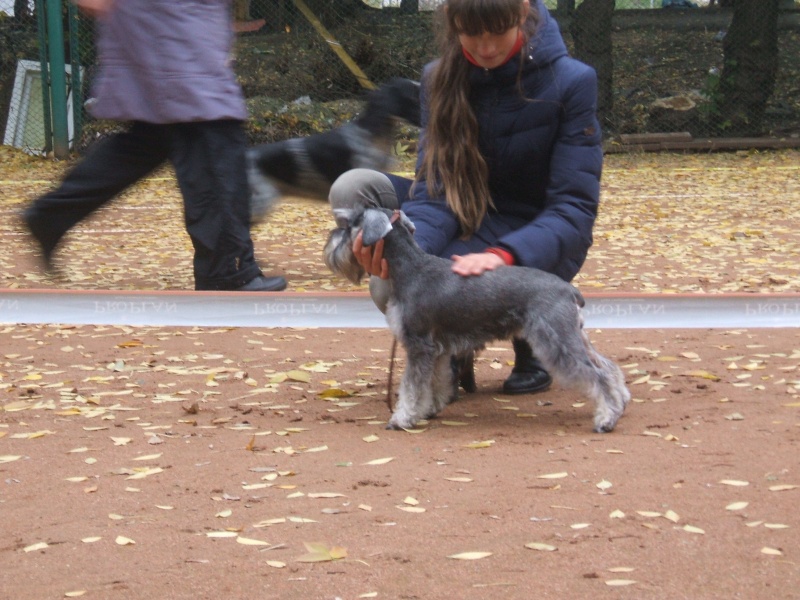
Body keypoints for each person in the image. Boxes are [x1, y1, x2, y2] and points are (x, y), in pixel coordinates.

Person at [328, 0, 602, 394]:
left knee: (514, 273)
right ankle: (451, 346)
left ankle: (532, 334)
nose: (485, 47)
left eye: (497, 31)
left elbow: (573, 208)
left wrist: (504, 255)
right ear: (452, 22)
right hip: (464, 215)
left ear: (521, 12)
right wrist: (410, 251)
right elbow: (435, 191)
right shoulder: (438, 78)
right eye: (471, 32)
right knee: (353, 190)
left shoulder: (572, 81)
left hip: (534, 229)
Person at [22, 0, 286, 292]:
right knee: (210, 133)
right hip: (169, 21)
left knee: (155, 135)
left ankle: (51, 214)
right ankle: (226, 270)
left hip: (169, 20)